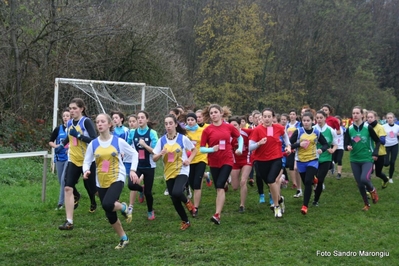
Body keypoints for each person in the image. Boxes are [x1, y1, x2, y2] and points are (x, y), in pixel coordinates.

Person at [83, 113, 139, 249]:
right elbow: (86, 161)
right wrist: (86, 170)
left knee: (107, 204)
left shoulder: (118, 141)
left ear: (109, 124)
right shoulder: (93, 143)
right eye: (97, 122)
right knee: (109, 213)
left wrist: (132, 170)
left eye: (102, 121)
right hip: (101, 180)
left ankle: (124, 207)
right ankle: (123, 238)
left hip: (117, 177)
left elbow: (134, 153)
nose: (99, 124)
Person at [57, 98, 98, 230]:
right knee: (67, 187)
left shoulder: (86, 122)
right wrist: (62, 144)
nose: (72, 111)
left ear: (82, 109)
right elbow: (69, 137)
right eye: (70, 108)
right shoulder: (69, 123)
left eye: (75, 108)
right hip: (73, 159)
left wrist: (79, 136)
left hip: (87, 161)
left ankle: (99, 201)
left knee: (92, 188)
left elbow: (94, 140)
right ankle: (69, 221)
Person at [200, 104, 243, 224]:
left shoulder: (229, 127)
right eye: (211, 113)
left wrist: (239, 148)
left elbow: (240, 138)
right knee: (219, 187)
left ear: (221, 113)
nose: (213, 115)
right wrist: (211, 150)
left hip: (227, 160)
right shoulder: (207, 130)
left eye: (215, 112)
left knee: (219, 186)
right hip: (214, 161)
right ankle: (224, 186)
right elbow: (202, 149)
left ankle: (217, 214)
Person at [153, 114, 197, 230]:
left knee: (177, 192)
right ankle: (185, 221)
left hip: (182, 170)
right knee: (174, 200)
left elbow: (194, 150)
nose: (168, 126)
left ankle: (189, 203)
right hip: (168, 172)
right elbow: (154, 158)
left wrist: (189, 160)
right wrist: (160, 154)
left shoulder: (182, 138)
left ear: (176, 124)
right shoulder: (161, 140)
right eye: (166, 124)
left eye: (170, 123)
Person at [249, 108, 291, 218]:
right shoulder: (257, 130)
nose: (267, 119)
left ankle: (276, 206)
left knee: (272, 180)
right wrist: (259, 143)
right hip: (261, 160)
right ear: (261, 118)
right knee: (269, 183)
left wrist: (288, 146)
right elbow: (249, 147)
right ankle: (280, 199)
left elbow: (285, 135)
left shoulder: (278, 127)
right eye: (265, 117)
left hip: (276, 158)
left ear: (273, 118)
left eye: (269, 116)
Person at [290, 111, 329, 215]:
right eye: (304, 121)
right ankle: (314, 180)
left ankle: (305, 206)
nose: (306, 123)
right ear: (301, 121)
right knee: (307, 181)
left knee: (307, 182)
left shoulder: (316, 132)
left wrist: (322, 150)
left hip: (313, 160)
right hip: (300, 161)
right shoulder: (298, 132)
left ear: (312, 121)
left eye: (308, 121)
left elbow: (325, 144)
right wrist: (299, 144)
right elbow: (289, 145)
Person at [344, 106, 380, 211]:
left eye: (357, 113)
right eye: (353, 113)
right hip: (354, 159)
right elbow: (345, 143)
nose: (355, 115)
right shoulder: (349, 129)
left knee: (364, 178)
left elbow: (378, 141)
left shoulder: (368, 127)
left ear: (362, 115)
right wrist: (347, 147)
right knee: (359, 184)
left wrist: (375, 153)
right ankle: (366, 204)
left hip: (367, 158)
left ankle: (373, 190)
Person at [127, 110, 159, 220]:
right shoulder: (132, 132)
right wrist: (122, 151)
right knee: (131, 185)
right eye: (138, 118)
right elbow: (127, 144)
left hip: (149, 166)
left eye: (142, 117)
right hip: (137, 165)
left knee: (149, 193)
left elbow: (155, 151)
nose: (140, 119)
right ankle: (141, 189)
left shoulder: (152, 133)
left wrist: (145, 145)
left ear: (147, 119)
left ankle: (150, 210)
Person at [313, 110, 338, 206]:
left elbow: (335, 144)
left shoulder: (330, 130)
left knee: (320, 180)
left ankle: (316, 200)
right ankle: (314, 185)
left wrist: (333, 150)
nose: (319, 120)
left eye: (321, 118)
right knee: (312, 179)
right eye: (317, 118)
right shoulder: (313, 129)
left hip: (326, 158)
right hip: (313, 158)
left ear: (325, 118)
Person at [185, 112, 208, 217]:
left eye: (192, 120)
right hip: (189, 160)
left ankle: (195, 208)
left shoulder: (202, 131)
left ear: (196, 121)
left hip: (201, 159)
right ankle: (207, 175)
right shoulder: (184, 132)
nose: (190, 122)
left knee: (196, 184)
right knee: (191, 183)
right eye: (188, 120)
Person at [228, 116, 253, 213]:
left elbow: (258, 132)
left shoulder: (246, 132)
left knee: (243, 181)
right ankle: (227, 183)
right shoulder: (228, 135)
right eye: (231, 126)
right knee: (234, 187)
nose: (233, 127)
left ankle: (242, 205)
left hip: (246, 159)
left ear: (240, 125)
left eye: (235, 125)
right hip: (235, 161)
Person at [49, 108, 71, 210]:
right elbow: (50, 141)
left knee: (63, 180)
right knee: (60, 180)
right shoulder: (58, 129)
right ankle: (76, 194)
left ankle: (60, 203)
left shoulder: (73, 129)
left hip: (69, 158)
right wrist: (56, 146)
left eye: (67, 116)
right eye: (64, 116)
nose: (65, 118)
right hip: (59, 157)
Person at [367, 110, 389, 188]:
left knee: (378, 173)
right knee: (368, 172)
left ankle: (386, 179)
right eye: (368, 117)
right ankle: (368, 188)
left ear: (375, 118)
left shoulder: (380, 127)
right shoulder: (366, 127)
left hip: (380, 153)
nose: (369, 119)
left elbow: (383, 141)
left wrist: (375, 137)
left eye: (371, 117)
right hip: (369, 153)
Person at [383, 112, 399, 183]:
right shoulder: (383, 126)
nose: (389, 119)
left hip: (394, 145)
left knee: (392, 162)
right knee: (386, 163)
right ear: (386, 119)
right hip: (386, 146)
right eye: (388, 118)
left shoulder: (397, 127)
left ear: (393, 118)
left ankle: (390, 177)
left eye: (391, 118)